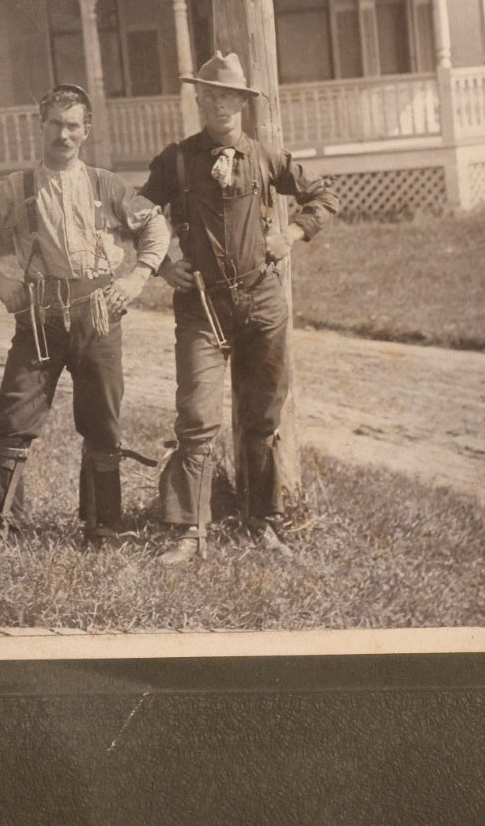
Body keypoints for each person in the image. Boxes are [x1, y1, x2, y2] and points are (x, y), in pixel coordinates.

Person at [142, 52, 339, 564]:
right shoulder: (178, 160)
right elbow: (138, 213)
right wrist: (164, 263)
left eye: (231, 96)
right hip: (202, 306)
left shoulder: (267, 158)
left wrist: (292, 233)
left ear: (243, 104)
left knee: (261, 416)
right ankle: (189, 530)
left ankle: (263, 521)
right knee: (198, 415)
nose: (221, 104)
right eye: (212, 95)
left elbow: (324, 195)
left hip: (262, 300)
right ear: (200, 99)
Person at [0, 83, 169, 542]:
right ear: (42, 126)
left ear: (86, 131)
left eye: (73, 126)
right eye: (55, 123)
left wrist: (136, 278)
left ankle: (104, 525)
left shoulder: (106, 184)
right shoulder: (19, 187)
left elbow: (155, 226)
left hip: (98, 315)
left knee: (102, 420)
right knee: (16, 413)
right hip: (39, 318)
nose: (63, 135)